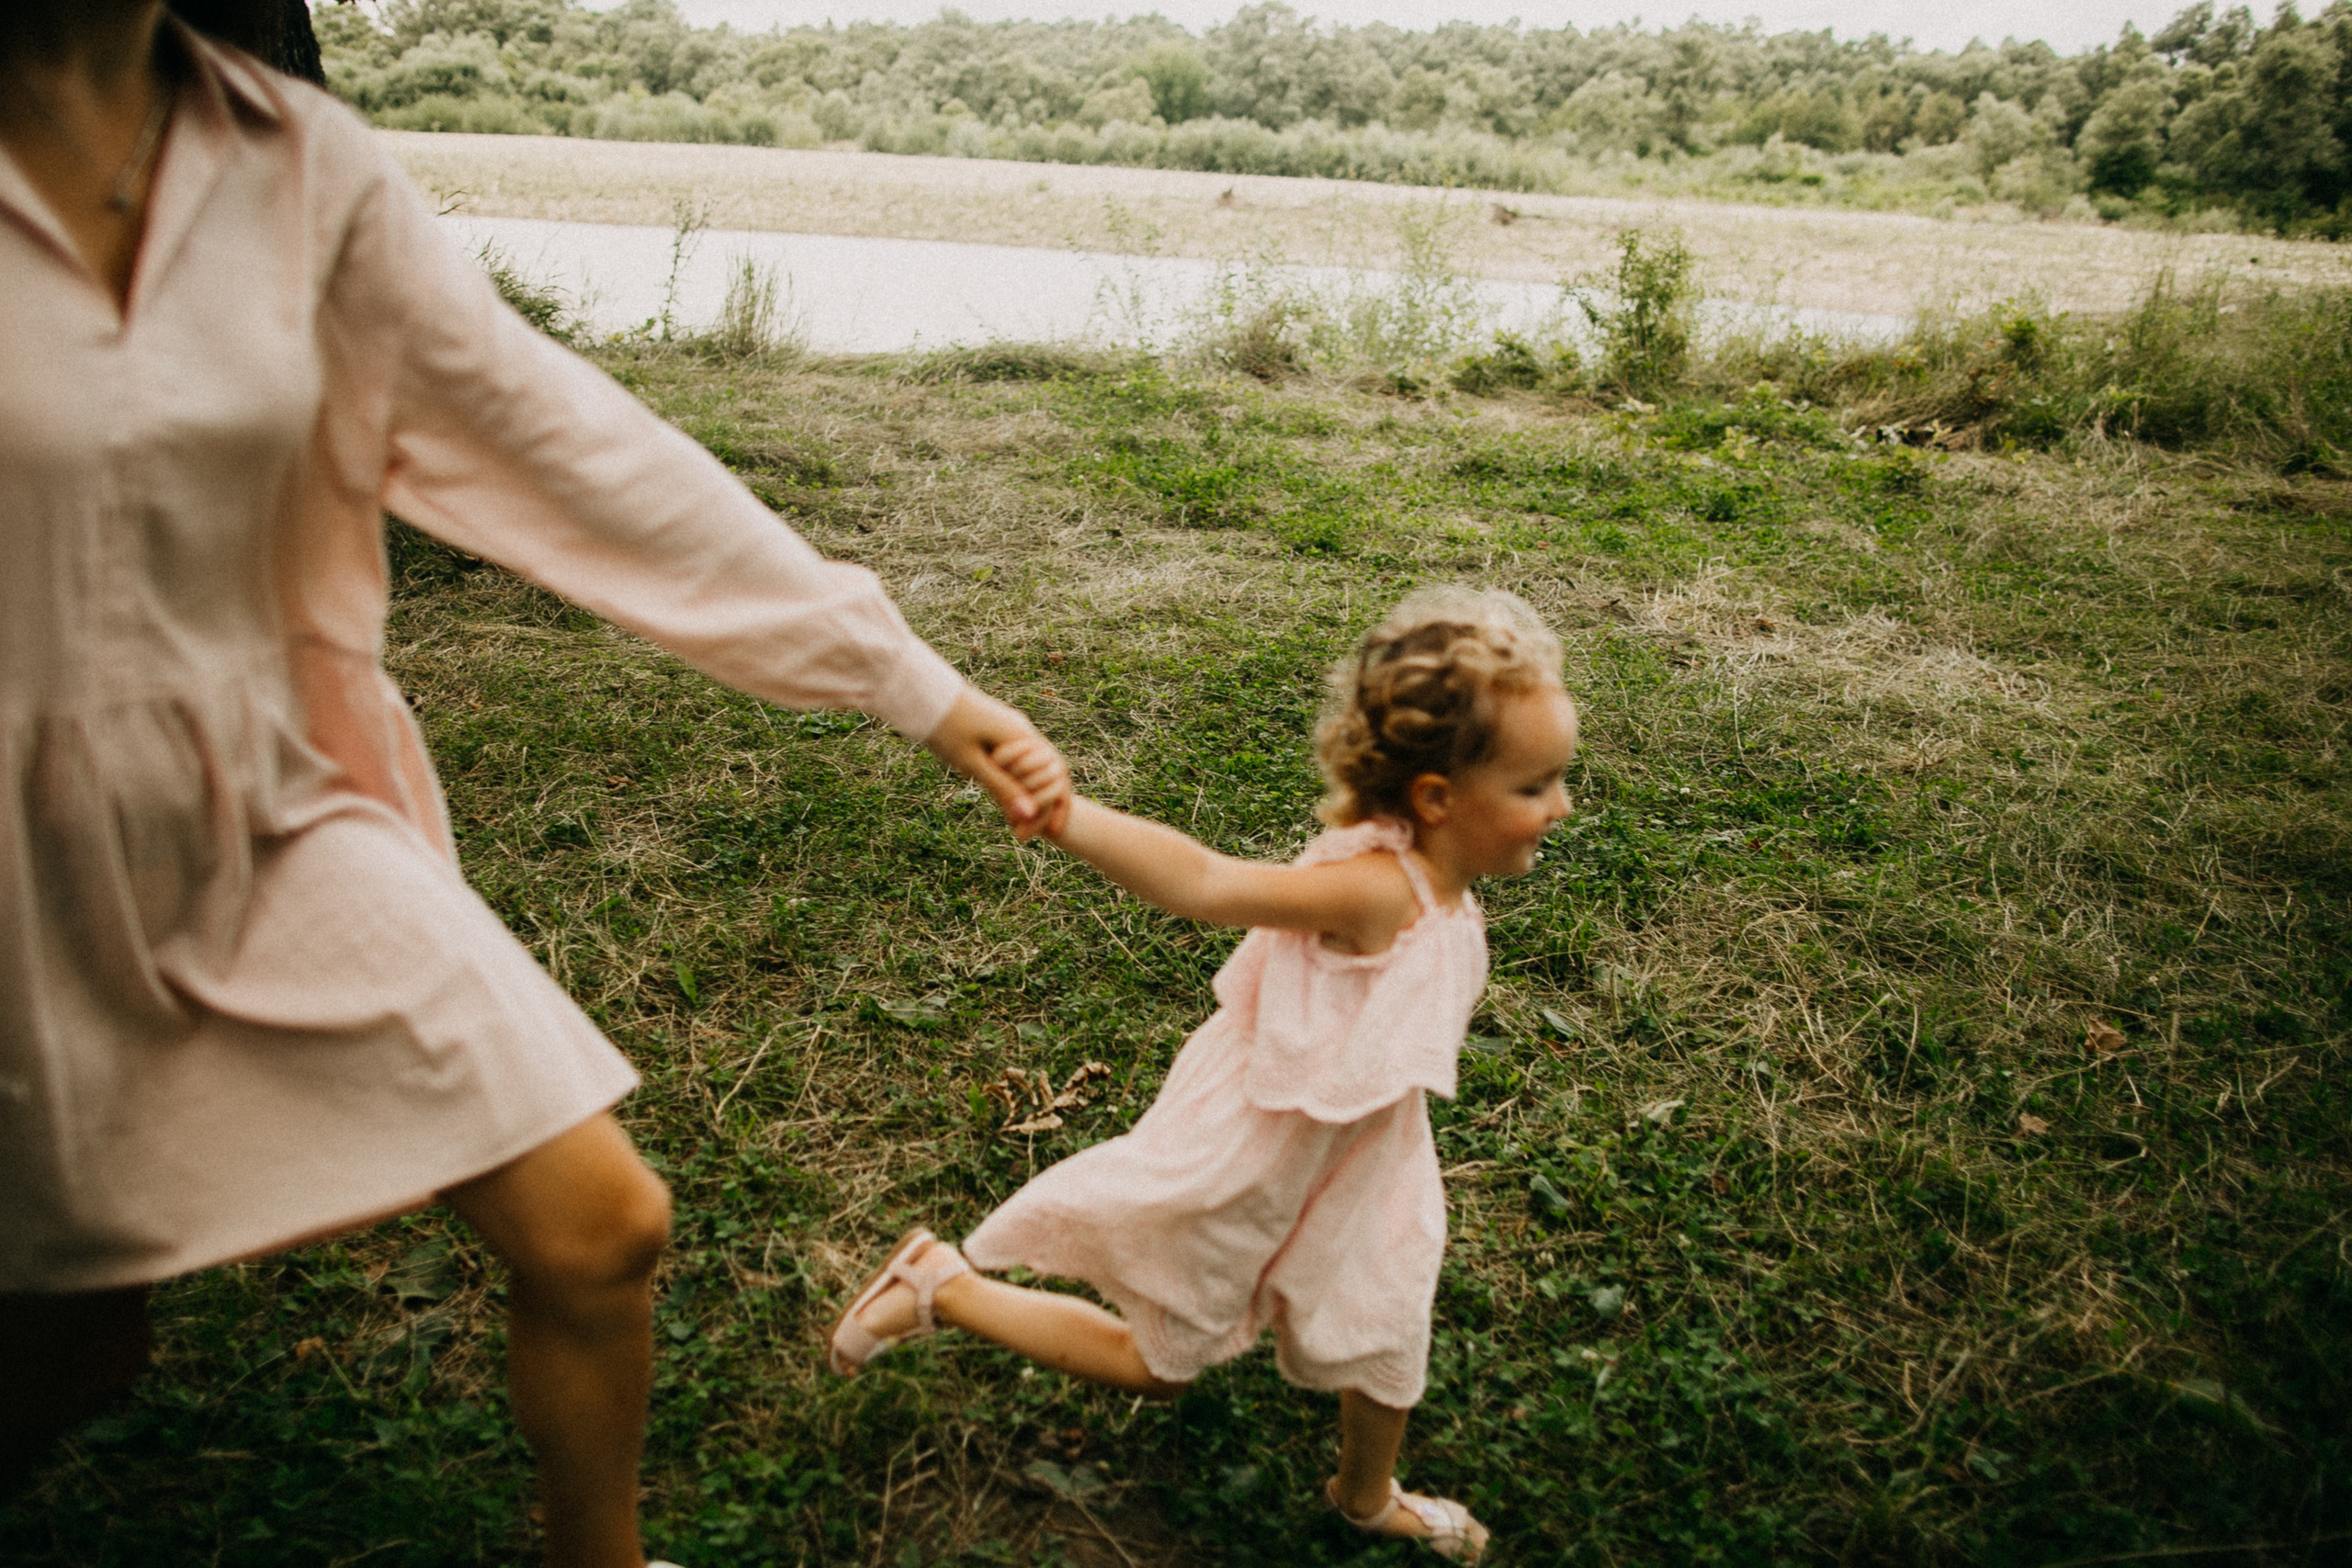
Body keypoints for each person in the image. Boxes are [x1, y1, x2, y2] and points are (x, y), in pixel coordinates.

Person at [0, 6, 1069, 1568]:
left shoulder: (296, 169)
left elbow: (566, 442)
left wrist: (908, 679)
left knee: (601, 1223)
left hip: (266, 805)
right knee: (67, 1345)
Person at [825, 589, 1582, 1562]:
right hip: (1265, 1147)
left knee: (1390, 1321)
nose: (1560, 806)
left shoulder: (1450, 882)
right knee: (1163, 1365)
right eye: (1536, 786)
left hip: (1370, 1148)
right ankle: (945, 1285)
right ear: (1437, 800)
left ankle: (1365, 1498)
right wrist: (1065, 816)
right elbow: (1207, 882)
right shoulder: (1375, 890)